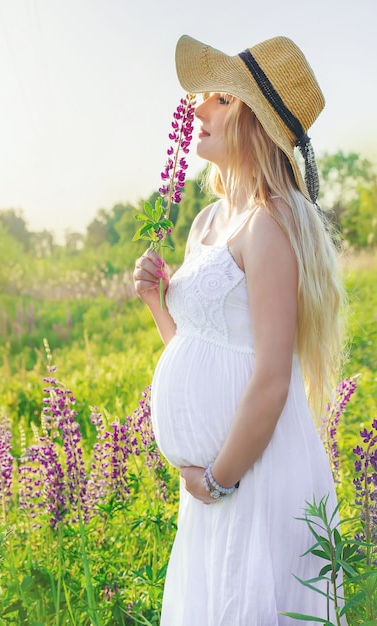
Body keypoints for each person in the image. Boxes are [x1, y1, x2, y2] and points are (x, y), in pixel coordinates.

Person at [133, 34, 345, 626]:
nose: (197, 109)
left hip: (250, 473)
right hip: (212, 481)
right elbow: (202, 353)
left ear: (256, 123)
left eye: (221, 100)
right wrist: (157, 302)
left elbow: (273, 375)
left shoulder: (270, 225)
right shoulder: (208, 221)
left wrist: (221, 479)